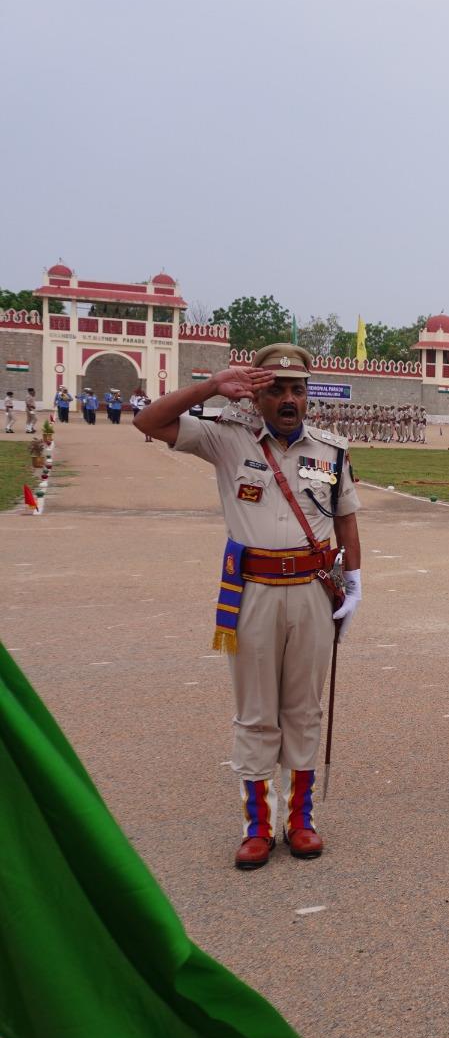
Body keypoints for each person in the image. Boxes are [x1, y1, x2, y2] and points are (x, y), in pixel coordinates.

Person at [133, 344, 362, 870]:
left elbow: (347, 518)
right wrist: (213, 385)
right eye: (275, 388)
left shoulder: (333, 451)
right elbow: (148, 420)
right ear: (256, 393)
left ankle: (299, 820)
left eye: (297, 390)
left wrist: (354, 581)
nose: (288, 399)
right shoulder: (225, 438)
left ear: (309, 396)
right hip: (253, 592)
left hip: (312, 592)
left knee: (304, 709)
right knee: (257, 713)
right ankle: (258, 827)